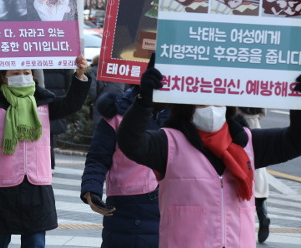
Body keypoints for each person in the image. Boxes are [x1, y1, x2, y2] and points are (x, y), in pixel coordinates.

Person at [117, 54, 301, 247]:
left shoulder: (247, 142)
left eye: (218, 101)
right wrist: (144, 101)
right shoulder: (169, 143)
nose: (212, 108)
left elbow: (295, 140)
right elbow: (130, 142)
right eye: (203, 102)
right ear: (186, 106)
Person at [0, 53, 90, 248]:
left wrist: (80, 75)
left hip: (35, 183)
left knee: (35, 241)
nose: (22, 76)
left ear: (33, 75)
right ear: (3, 77)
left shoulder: (44, 101)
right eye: (15, 72)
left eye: (26, 72)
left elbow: (71, 104)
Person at [81, 87, 166, 248]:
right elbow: (98, 156)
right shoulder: (117, 111)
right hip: (128, 205)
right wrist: (91, 189)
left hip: (175, 199)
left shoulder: (184, 114)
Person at [238, 106, 271, 243]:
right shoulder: (256, 95)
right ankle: (263, 214)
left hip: (239, 127)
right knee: (258, 173)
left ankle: (245, 224)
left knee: (244, 170)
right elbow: (263, 112)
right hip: (256, 126)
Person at [88, 55, 125, 126]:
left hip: (101, 104)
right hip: (119, 105)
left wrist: (95, 100)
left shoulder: (95, 69)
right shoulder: (121, 69)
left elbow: (92, 88)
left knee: (99, 129)